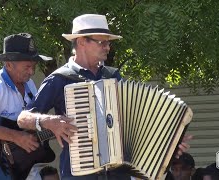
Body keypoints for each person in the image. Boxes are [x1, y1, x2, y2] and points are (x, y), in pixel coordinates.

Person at [17, 14, 192, 180]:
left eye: (108, 43)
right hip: (80, 175)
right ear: (81, 42)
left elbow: (135, 122)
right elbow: (23, 118)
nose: (107, 47)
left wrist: (170, 141)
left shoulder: (113, 77)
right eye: (102, 42)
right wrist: (47, 120)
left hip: (118, 174)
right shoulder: (60, 78)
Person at [0, 33, 69, 179]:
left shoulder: (29, 83)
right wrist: (15, 136)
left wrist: (54, 126)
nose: (32, 72)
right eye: (27, 67)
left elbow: (30, 125)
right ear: (8, 64)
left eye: (34, 66)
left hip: (26, 169)